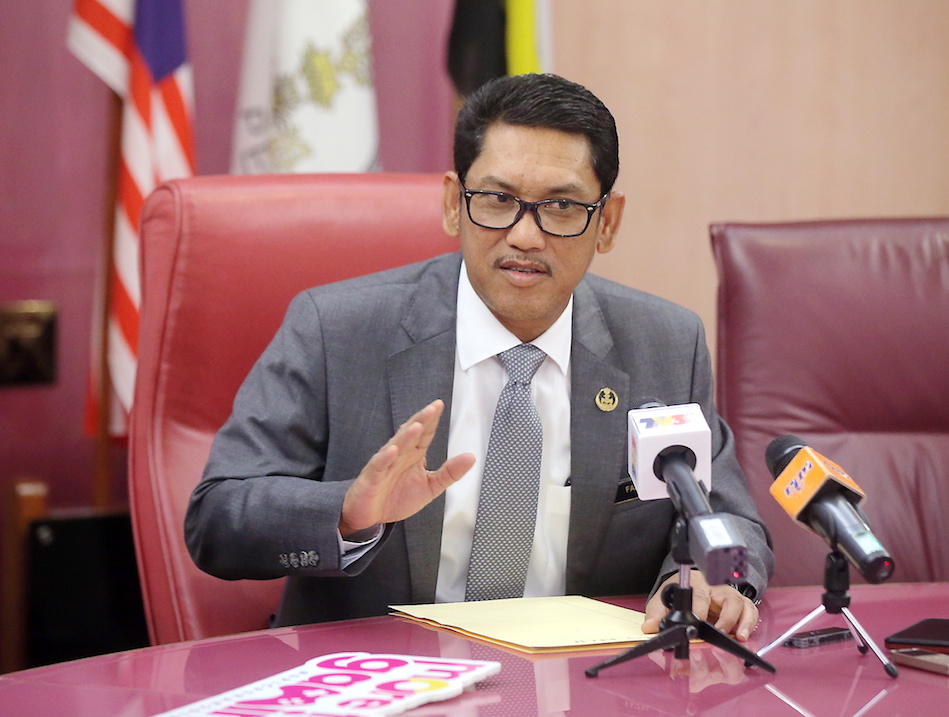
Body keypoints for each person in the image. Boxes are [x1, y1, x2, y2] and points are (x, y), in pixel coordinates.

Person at [185, 73, 774, 642]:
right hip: (380, 676)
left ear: (607, 223)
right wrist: (345, 514)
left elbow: (731, 523)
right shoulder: (335, 330)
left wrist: (707, 580)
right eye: (497, 200)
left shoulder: (664, 344)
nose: (525, 236)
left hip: (578, 678)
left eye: (562, 207)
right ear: (453, 204)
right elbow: (217, 519)